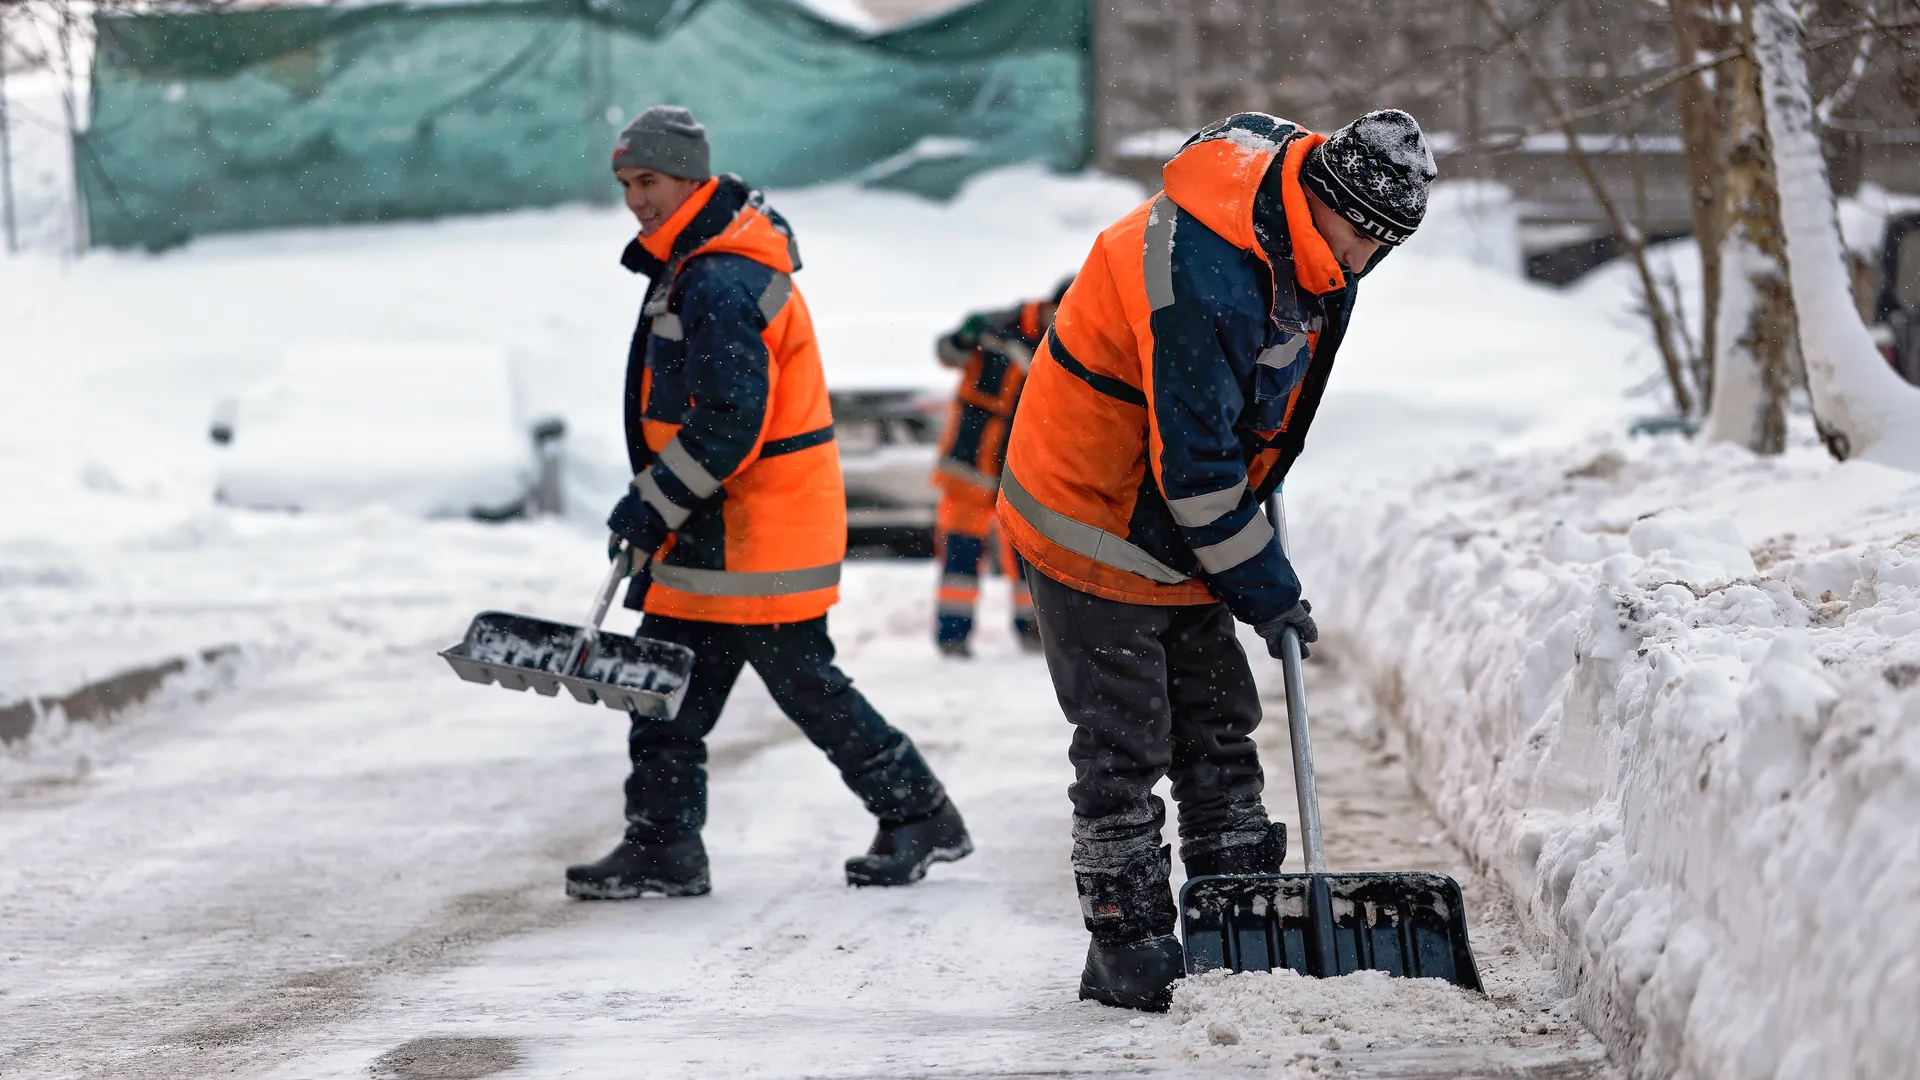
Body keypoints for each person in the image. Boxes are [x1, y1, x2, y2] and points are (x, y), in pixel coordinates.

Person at [996, 110, 1436, 1010]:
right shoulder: (1205, 276)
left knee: (1217, 720)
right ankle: (1127, 947)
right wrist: (1265, 587)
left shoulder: (1299, 227)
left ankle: (1238, 914)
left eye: (1387, 246)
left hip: (1177, 507)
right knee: (1125, 738)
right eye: (1363, 238)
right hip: (1094, 505)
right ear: (1326, 200)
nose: (1366, 262)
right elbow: (1196, 472)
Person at [569, 105, 973, 899]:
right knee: (665, 693)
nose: (636, 200)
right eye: (626, 184)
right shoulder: (695, 265)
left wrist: (652, 504)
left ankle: (920, 813)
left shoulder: (719, 277)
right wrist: (659, 506)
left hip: (755, 530)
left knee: (802, 684)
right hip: (713, 527)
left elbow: (730, 420)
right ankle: (663, 845)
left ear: (689, 178)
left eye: (648, 181)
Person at [928, 280, 1070, 657]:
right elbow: (947, 353)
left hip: (1020, 472)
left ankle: (1032, 631)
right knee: (960, 557)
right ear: (1050, 304)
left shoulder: (1068, 343)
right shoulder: (999, 327)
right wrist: (964, 337)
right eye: (1061, 311)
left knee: (1026, 557)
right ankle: (953, 636)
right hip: (969, 468)